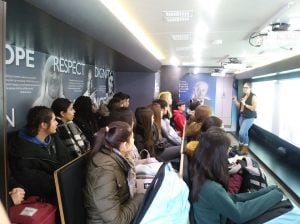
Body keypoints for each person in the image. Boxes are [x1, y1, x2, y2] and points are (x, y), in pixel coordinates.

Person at [189, 127, 284, 224]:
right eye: (227, 151)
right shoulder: (211, 188)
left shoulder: (199, 174)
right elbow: (239, 214)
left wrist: (269, 191)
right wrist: (277, 194)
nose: (228, 154)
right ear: (218, 156)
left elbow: (232, 198)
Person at [84, 121, 144, 224]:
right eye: (132, 138)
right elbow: (116, 221)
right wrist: (141, 197)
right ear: (125, 145)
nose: (134, 140)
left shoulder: (114, 157)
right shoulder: (105, 172)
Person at [9, 106, 72, 202]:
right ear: (43, 125)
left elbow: (67, 159)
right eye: (54, 120)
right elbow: (39, 183)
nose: (57, 122)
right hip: (51, 197)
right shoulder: (22, 153)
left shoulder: (53, 136)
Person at [232, 81, 257, 154]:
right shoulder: (244, 96)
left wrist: (245, 104)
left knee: (241, 133)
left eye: (246, 88)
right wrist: (235, 101)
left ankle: (243, 147)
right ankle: (243, 149)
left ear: (250, 88)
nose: (244, 89)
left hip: (249, 117)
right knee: (245, 133)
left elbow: (253, 108)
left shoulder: (253, 96)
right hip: (242, 116)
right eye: (244, 87)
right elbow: (239, 107)